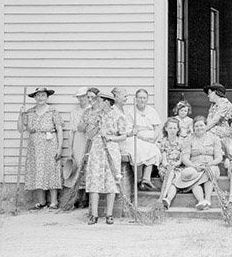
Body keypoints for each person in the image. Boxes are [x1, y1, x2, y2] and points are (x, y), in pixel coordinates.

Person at [84, 90, 127, 225]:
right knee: (94, 179)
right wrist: (96, 127)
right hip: (97, 149)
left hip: (111, 148)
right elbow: (89, 136)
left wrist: (111, 138)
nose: (97, 103)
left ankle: (109, 214)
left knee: (111, 181)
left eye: (100, 101)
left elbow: (124, 135)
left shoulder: (118, 116)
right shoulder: (95, 115)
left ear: (107, 102)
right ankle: (94, 215)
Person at [19, 86, 63, 210]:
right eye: (38, 95)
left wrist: (59, 148)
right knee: (37, 169)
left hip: (50, 144)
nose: (40, 98)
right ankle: (41, 201)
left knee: (51, 169)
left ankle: (54, 202)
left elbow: (59, 129)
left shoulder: (53, 111)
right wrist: (20, 114)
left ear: (47, 97)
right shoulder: (30, 112)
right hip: (35, 146)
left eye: (43, 95)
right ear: (34, 97)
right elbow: (21, 128)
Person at [173, 117, 222, 210]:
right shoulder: (189, 139)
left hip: (210, 165)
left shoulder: (214, 138)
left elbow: (219, 158)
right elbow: (185, 158)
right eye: (196, 126)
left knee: (210, 172)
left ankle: (207, 199)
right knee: (193, 177)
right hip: (195, 166)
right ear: (193, 127)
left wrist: (210, 163)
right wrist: (194, 166)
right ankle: (201, 201)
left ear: (206, 125)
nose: (199, 128)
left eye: (201, 125)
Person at [65, 86, 98, 206]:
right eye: (79, 97)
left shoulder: (93, 110)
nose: (82, 99)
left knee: (88, 167)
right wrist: (70, 148)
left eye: (84, 97)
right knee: (78, 166)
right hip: (78, 140)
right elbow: (72, 131)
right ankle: (76, 197)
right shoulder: (74, 112)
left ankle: (87, 197)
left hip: (89, 139)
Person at [124, 88, 163, 190]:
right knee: (139, 151)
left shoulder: (151, 111)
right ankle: (139, 179)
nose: (142, 100)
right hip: (136, 138)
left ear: (147, 99)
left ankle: (146, 179)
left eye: (144, 98)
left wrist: (153, 139)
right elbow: (129, 129)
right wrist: (140, 135)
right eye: (140, 98)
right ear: (136, 99)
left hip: (150, 139)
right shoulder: (131, 112)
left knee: (153, 150)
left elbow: (157, 127)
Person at [156, 117, 184, 209]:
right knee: (171, 173)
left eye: (175, 128)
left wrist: (175, 165)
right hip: (165, 167)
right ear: (166, 129)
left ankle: (167, 199)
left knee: (175, 182)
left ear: (178, 129)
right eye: (170, 128)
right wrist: (167, 165)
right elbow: (163, 159)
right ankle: (163, 196)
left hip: (178, 167)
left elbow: (181, 160)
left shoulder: (182, 142)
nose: (172, 130)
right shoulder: (163, 141)